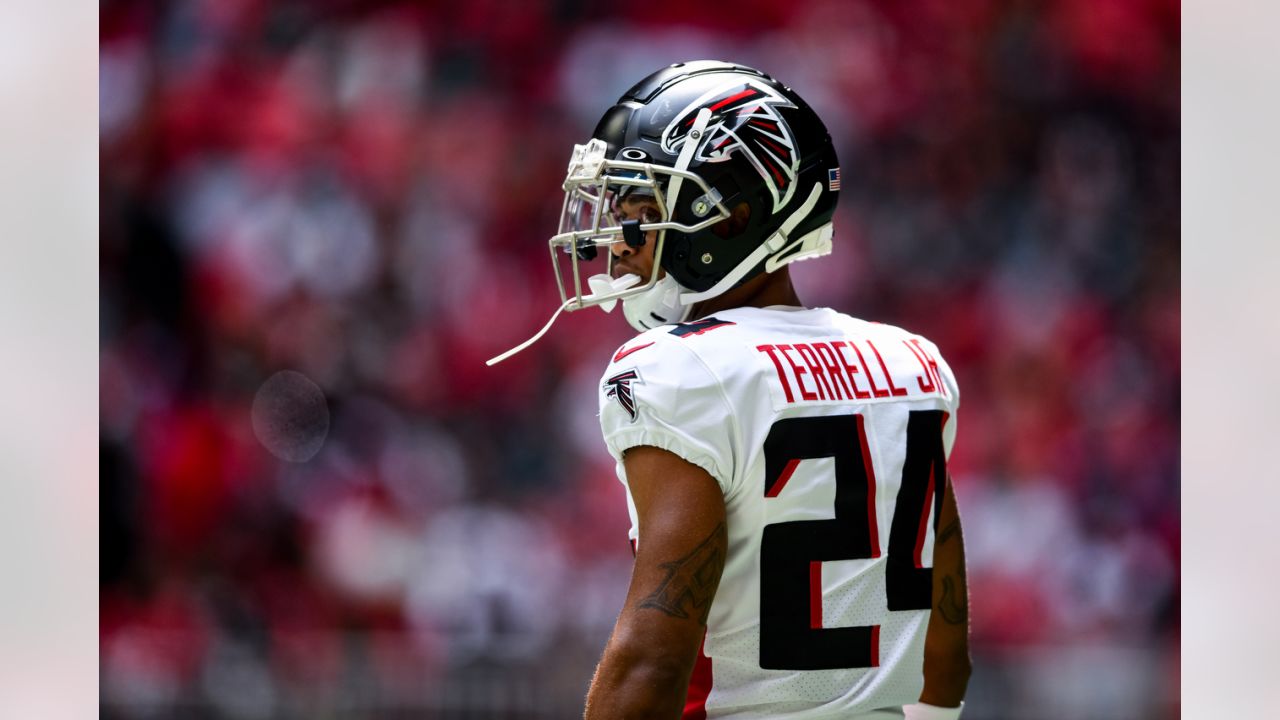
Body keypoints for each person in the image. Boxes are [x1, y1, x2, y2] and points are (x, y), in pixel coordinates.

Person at [495, 60, 970, 719]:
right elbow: (942, 655)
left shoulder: (683, 370)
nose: (616, 241)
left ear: (730, 219)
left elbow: (655, 657)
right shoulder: (914, 364)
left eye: (641, 209)